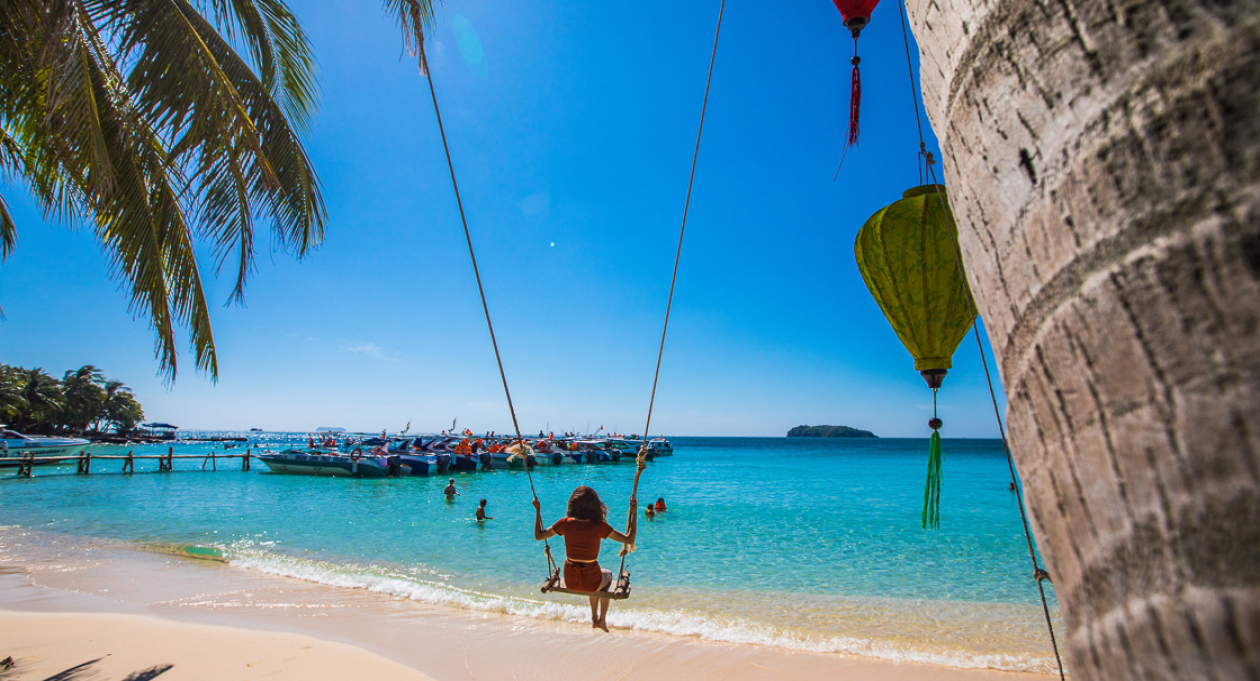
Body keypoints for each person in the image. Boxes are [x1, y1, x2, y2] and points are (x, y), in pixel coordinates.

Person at [534, 486, 636, 632]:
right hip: (591, 581)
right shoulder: (599, 527)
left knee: (594, 575)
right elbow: (629, 539)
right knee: (607, 575)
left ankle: (594, 618)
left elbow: (539, 535)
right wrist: (634, 512)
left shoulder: (565, 523)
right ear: (595, 506)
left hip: (570, 580)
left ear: (572, 505)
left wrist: (538, 510)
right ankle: (601, 619)